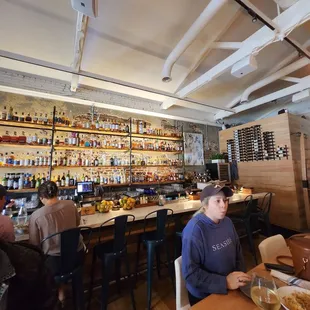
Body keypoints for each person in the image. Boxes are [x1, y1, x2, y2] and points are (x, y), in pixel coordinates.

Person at [182, 184, 251, 306]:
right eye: (217, 201)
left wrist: (240, 276)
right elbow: (191, 274)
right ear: (205, 205)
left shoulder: (227, 222)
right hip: (206, 294)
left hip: (232, 287)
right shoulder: (195, 230)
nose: (223, 205)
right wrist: (225, 283)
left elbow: (238, 252)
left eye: (225, 200)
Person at [28, 181, 83, 275]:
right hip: (77, 255)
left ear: (41, 198)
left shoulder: (36, 216)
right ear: (57, 193)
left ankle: (57, 287)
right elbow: (77, 224)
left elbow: (34, 244)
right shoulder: (71, 204)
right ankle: (66, 287)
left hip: (54, 262)